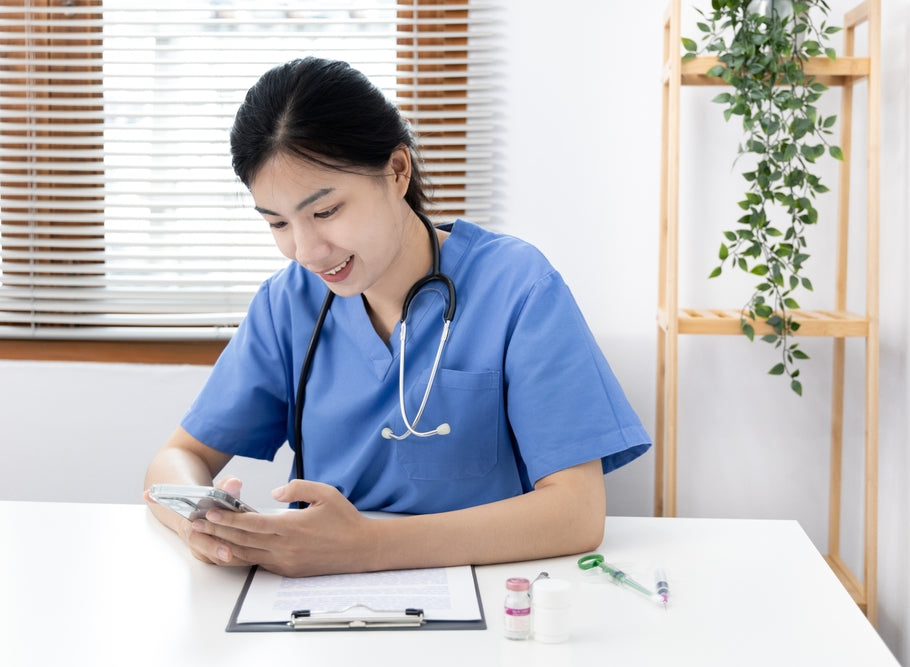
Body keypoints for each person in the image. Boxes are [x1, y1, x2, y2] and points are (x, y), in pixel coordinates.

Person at [143, 57, 650, 578]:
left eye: (325, 212)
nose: (307, 251)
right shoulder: (287, 303)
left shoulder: (517, 287)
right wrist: (204, 527)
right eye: (277, 223)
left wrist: (368, 547)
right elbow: (176, 461)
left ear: (397, 171)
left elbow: (577, 514)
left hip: (487, 592)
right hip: (318, 603)